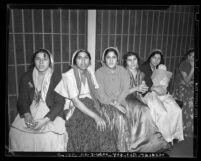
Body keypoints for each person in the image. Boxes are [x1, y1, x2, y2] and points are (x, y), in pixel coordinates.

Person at [96, 47, 170, 152]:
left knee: (149, 109)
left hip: (125, 98)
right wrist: (116, 104)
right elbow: (104, 94)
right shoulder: (101, 72)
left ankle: (149, 144)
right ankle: (136, 146)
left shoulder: (124, 71)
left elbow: (126, 89)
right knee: (139, 112)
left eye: (114, 57)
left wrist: (141, 89)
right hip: (113, 101)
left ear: (117, 59)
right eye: (108, 57)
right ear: (104, 59)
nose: (111, 60)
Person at [54, 49, 117, 152]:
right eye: (79, 58)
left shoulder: (90, 71)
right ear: (74, 61)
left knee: (103, 128)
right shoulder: (68, 75)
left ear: (90, 61)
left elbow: (95, 93)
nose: (83, 61)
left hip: (90, 104)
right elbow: (76, 102)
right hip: (74, 108)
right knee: (88, 128)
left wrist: (101, 108)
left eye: (86, 58)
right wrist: (96, 116)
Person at [9, 49, 68, 151]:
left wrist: (45, 120)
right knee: (15, 133)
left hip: (51, 111)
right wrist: (27, 115)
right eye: (38, 59)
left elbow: (59, 103)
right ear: (34, 61)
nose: (41, 62)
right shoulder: (26, 77)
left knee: (48, 137)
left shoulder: (57, 77)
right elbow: (22, 99)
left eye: (44, 59)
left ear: (50, 61)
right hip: (31, 109)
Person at [122, 51, 170, 152]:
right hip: (126, 98)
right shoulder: (122, 72)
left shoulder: (141, 73)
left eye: (134, 59)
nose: (132, 62)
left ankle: (152, 142)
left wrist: (143, 89)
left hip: (138, 96)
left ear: (138, 61)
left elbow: (143, 88)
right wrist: (137, 88)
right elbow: (121, 92)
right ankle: (140, 145)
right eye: (129, 60)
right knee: (145, 110)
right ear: (125, 62)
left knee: (154, 108)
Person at [142, 64, 184, 145]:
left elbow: (166, 88)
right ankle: (164, 138)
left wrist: (164, 91)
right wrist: (153, 88)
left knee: (177, 110)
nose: (156, 60)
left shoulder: (165, 73)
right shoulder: (145, 70)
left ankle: (174, 134)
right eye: (154, 57)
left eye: (158, 58)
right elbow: (145, 88)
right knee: (162, 113)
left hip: (164, 95)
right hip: (151, 95)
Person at [173, 49, 194, 139]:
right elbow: (186, 80)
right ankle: (186, 130)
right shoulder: (184, 64)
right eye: (192, 56)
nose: (193, 58)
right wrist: (193, 68)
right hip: (180, 88)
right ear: (188, 56)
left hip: (188, 86)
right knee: (191, 99)